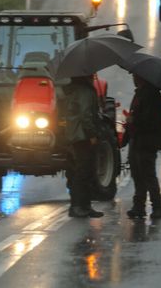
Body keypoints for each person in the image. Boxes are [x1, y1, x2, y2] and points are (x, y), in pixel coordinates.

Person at [63, 76, 104, 218]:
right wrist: (92, 134)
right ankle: (79, 206)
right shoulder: (85, 92)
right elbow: (86, 115)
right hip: (83, 137)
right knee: (84, 172)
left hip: (74, 135)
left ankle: (83, 205)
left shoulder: (71, 90)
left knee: (80, 171)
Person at [126, 75, 161, 220]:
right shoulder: (141, 93)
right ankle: (139, 206)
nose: (133, 78)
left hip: (147, 141)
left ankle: (157, 207)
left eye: (135, 76)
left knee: (148, 174)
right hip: (137, 139)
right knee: (137, 174)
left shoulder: (151, 95)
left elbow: (151, 120)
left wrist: (133, 120)